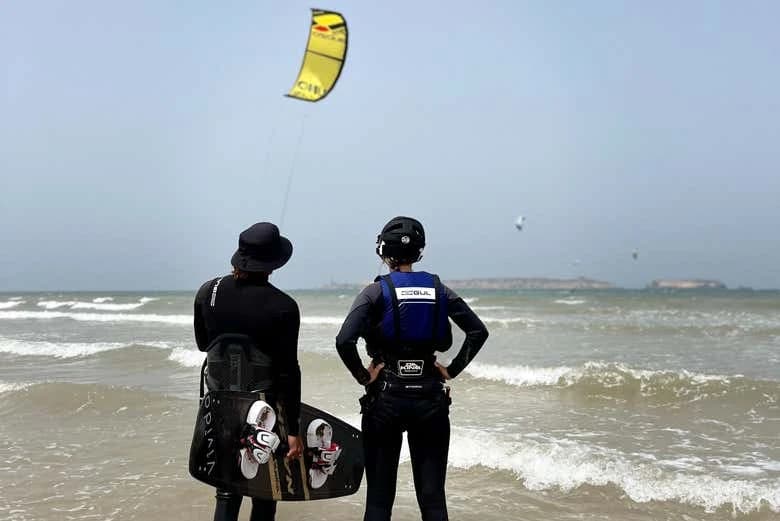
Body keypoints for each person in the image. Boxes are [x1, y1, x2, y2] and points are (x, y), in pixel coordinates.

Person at [335, 216, 489, 521]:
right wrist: (452, 370)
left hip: (384, 403)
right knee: (433, 502)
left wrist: (364, 376)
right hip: (431, 401)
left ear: (383, 251)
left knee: (379, 503)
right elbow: (478, 332)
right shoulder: (439, 289)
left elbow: (344, 341)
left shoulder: (375, 292)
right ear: (419, 252)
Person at [194, 222, 303, 521]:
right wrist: (293, 431)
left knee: (227, 490)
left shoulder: (208, 291)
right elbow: (288, 371)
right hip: (264, 407)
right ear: (273, 263)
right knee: (264, 490)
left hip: (219, 406)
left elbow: (205, 344)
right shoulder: (284, 306)